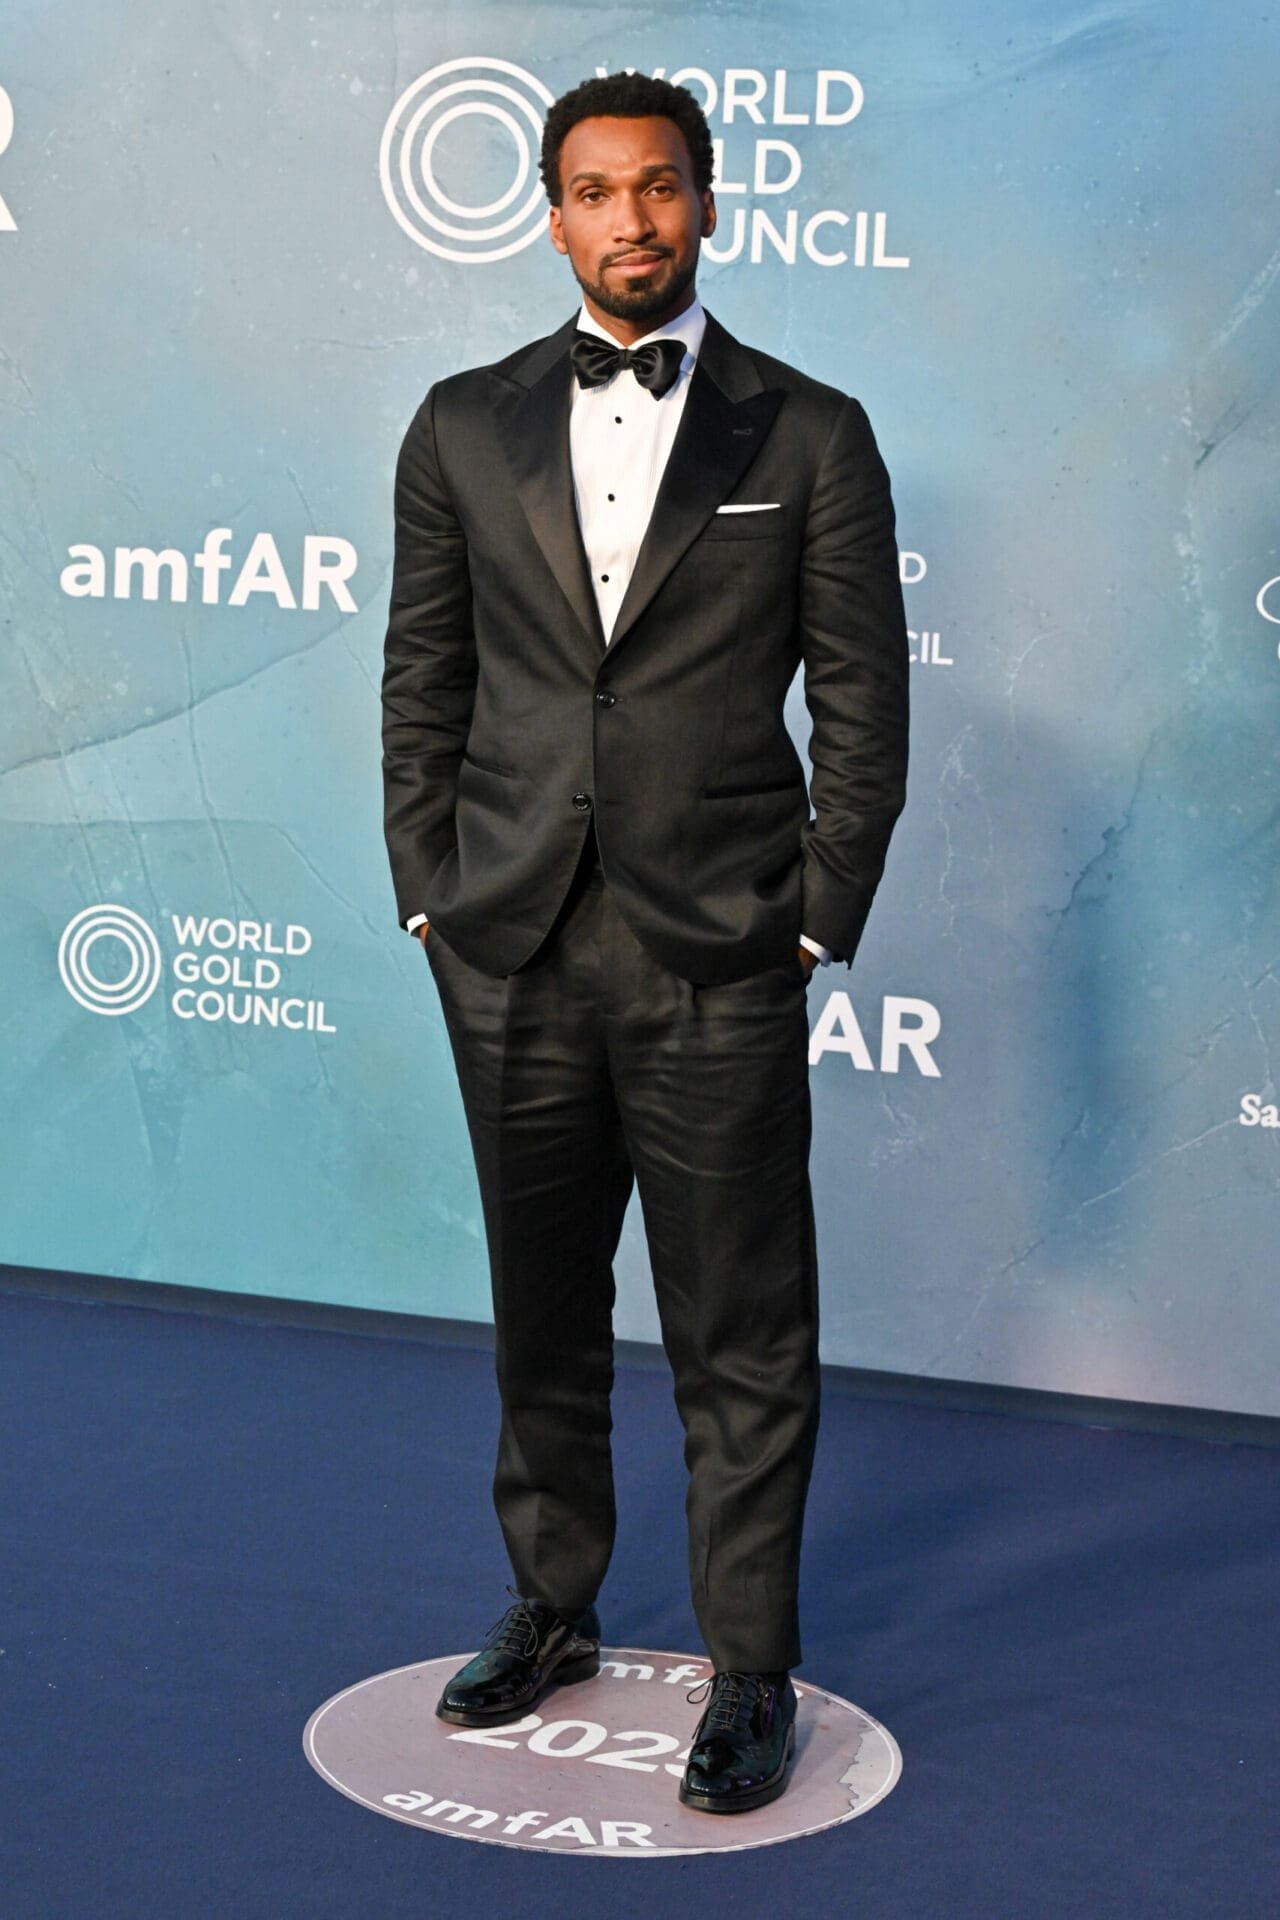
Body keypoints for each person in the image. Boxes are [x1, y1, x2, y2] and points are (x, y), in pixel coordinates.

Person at [381, 71, 909, 1815]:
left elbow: (864, 705)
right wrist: (431, 889)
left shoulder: (810, 432)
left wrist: (812, 922)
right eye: (598, 191)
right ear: (553, 217)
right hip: (511, 940)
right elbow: (424, 678)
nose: (633, 219)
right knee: (542, 1310)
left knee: (739, 1328)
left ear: (709, 203)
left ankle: (751, 1666)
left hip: (720, 952)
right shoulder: (461, 425)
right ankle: (552, 1604)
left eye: (661, 187)